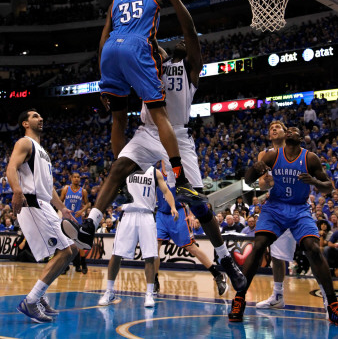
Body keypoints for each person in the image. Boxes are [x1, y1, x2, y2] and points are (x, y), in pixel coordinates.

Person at [62, 0, 246, 292]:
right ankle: (89, 224)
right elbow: (135, 45)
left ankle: (224, 258)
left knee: (200, 205)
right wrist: (109, 85)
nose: (174, 44)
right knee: (118, 168)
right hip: (149, 131)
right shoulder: (153, 60)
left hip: (178, 136)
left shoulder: (191, 68)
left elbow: (189, 32)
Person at [98, 0, 219, 192]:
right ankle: (179, 173)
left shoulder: (114, 3)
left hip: (110, 51)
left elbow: (103, 39)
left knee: (118, 120)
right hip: (136, 46)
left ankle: (122, 181)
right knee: (158, 113)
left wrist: (103, 80)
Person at [228, 126, 338, 324]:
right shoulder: (272, 156)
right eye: (289, 131)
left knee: (313, 248)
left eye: (295, 130)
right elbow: (248, 180)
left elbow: (329, 186)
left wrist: (314, 181)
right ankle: (239, 298)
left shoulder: (310, 158)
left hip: (299, 209)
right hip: (275, 208)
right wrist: (255, 169)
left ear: (301, 138)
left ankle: (332, 303)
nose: (291, 132)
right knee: (259, 245)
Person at [6, 109, 78, 323]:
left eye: (40, 116)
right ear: (25, 123)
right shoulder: (24, 142)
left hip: (44, 203)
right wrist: (17, 191)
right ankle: (31, 300)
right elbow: (10, 168)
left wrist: (62, 208)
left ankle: (39, 297)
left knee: (69, 251)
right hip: (32, 202)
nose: (41, 118)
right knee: (67, 251)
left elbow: (49, 187)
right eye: (35, 116)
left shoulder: (41, 151)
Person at [98, 166, 178, 307]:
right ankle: (109, 291)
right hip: (128, 214)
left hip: (147, 215)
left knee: (150, 257)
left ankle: (149, 293)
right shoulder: (127, 168)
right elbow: (112, 185)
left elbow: (165, 190)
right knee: (116, 254)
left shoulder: (154, 172)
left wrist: (173, 206)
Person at [153, 162, 227, 297]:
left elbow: (191, 193)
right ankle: (154, 280)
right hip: (162, 214)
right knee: (155, 247)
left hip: (179, 212)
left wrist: (192, 214)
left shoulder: (177, 174)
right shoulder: (155, 173)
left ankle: (217, 275)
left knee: (191, 247)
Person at [255, 120, 297, 309]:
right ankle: (278, 295)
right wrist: (272, 182)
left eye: (278, 126)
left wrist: (277, 179)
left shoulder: (295, 151)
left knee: (312, 248)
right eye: (271, 127)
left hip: (298, 204)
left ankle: (329, 299)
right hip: (277, 205)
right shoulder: (264, 155)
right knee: (277, 254)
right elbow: (262, 185)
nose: (273, 128)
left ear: (286, 132)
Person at [60, 172, 90, 274]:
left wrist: (82, 211)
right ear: (71, 178)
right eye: (75, 177)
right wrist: (63, 209)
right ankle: (65, 266)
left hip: (78, 220)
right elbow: (60, 202)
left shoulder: (83, 191)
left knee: (79, 243)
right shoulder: (66, 189)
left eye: (78, 177)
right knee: (66, 244)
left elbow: (88, 203)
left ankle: (83, 264)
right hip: (66, 219)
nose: (76, 179)